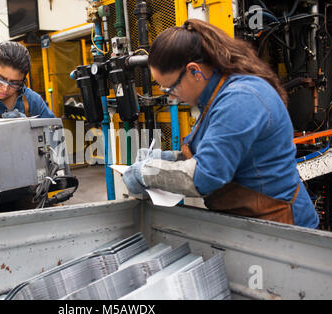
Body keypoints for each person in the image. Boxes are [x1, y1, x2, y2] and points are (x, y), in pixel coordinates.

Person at [123, 19, 319, 229]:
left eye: (171, 88)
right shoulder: (217, 94)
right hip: (253, 223)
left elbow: (208, 175)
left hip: (283, 226)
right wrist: (166, 158)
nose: (173, 97)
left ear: (194, 71)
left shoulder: (240, 99)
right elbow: (214, 154)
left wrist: (147, 173)